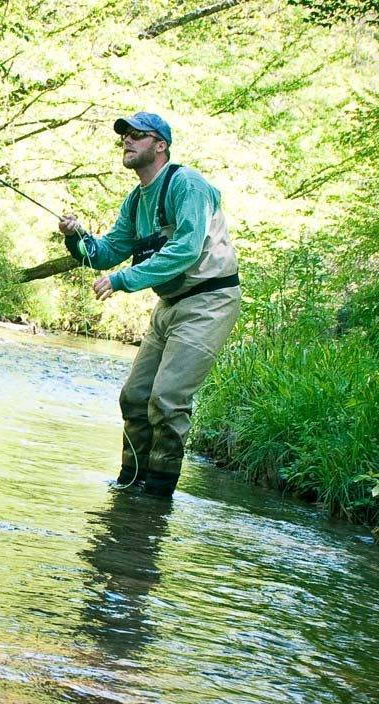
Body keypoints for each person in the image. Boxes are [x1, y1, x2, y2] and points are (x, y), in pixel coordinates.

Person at [59, 112, 241, 500]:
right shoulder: (136, 200)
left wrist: (123, 281)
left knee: (167, 399)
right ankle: (129, 486)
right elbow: (105, 253)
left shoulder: (187, 186)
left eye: (137, 135)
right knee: (135, 397)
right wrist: (77, 238)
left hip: (210, 300)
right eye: (124, 136)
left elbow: (186, 249)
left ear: (160, 145)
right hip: (169, 303)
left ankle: (158, 497)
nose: (127, 141)